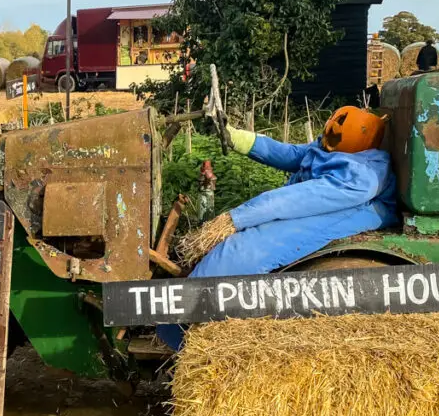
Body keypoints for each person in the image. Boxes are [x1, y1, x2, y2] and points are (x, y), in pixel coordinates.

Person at [156, 107, 398, 351]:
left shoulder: (360, 177)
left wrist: (237, 218)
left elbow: (295, 200)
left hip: (347, 211)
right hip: (320, 202)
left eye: (338, 127)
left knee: (240, 253)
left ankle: (188, 334)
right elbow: (291, 153)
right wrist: (233, 135)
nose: (331, 129)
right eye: (332, 123)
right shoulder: (333, 149)